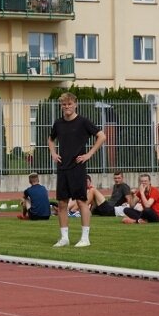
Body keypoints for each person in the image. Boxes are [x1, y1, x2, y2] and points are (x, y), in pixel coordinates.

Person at [48, 92, 107, 247]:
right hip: (62, 168)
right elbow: (50, 139)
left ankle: (85, 238)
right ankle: (64, 238)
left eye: (69, 104)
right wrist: (53, 153)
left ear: (75, 104)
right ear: (61, 106)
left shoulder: (83, 122)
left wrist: (89, 154)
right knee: (62, 203)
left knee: (81, 202)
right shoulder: (58, 123)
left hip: (78, 167)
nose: (67, 107)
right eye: (64, 104)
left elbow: (101, 136)